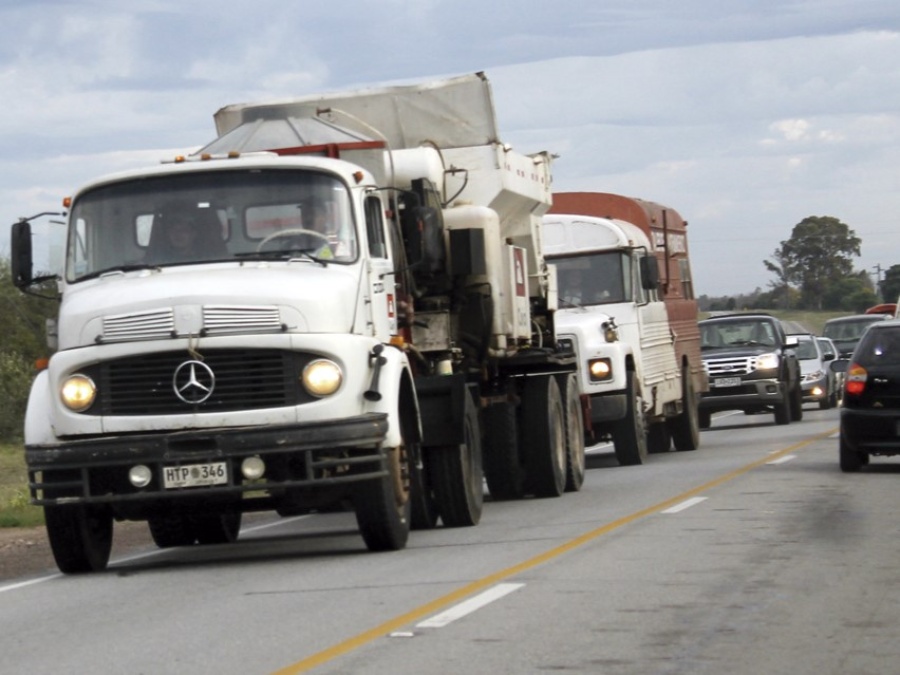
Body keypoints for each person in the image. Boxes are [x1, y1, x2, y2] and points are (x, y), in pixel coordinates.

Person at [147, 203, 228, 263]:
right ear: (167, 234)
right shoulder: (158, 259)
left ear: (194, 234)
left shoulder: (210, 258)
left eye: (184, 230)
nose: (178, 234)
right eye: (173, 230)